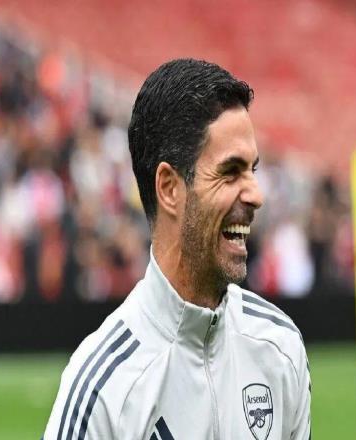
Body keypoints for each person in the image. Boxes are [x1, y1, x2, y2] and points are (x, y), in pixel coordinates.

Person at [43, 58, 311, 440]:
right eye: (230, 172)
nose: (256, 194)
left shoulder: (280, 347)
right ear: (169, 188)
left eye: (252, 170)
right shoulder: (102, 388)